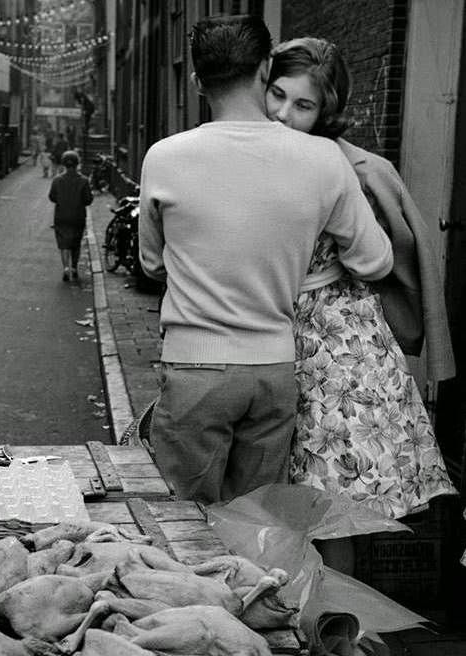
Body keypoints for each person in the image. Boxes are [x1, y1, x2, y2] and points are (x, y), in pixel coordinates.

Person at [138, 14, 393, 507]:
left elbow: (152, 265)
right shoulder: (324, 160)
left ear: (196, 81)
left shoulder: (163, 157)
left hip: (195, 368)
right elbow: (375, 261)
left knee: (182, 524)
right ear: (263, 71)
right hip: (275, 370)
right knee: (255, 530)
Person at [265, 37, 456, 572]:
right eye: (276, 94)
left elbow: (392, 260)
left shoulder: (355, 170)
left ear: (326, 112)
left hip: (338, 355)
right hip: (279, 344)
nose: (282, 114)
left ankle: (340, 639)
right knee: (289, 511)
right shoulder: (253, 152)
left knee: (331, 512)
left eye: (302, 105)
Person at [48, 150, 93, 282]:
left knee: (63, 244)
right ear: (77, 164)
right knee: (76, 243)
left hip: (61, 216)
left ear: (64, 164)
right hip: (77, 216)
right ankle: (74, 267)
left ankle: (66, 268)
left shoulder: (57, 180)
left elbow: (52, 197)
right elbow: (88, 200)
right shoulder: (83, 181)